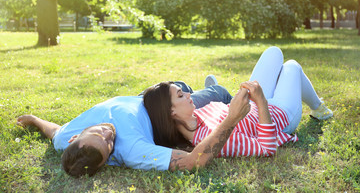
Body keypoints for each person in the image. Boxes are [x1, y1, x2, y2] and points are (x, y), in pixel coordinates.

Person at [143, 46, 333, 161]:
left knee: (274, 53)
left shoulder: (196, 116)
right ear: (172, 113)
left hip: (257, 105)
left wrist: (246, 96)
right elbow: (267, 148)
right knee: (291, 67)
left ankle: (309, 102)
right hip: (278, 115)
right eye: (180, 95)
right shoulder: (213, 139)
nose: (187, 93)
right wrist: (262, 101)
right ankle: (319, 109)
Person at [16, 78, 232, 177]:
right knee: (219, 92)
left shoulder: (64, 139)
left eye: (97, 133)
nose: (108, 134)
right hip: (164, 113)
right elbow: (194, 161)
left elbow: (52, 131)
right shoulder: (132, 151)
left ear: (75, 138)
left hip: (144, 97)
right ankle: (208, 92)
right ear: (107, 159)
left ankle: (186, 89)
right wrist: (234, 117)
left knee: (180, 85)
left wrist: (35, 120)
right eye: (108, 144)